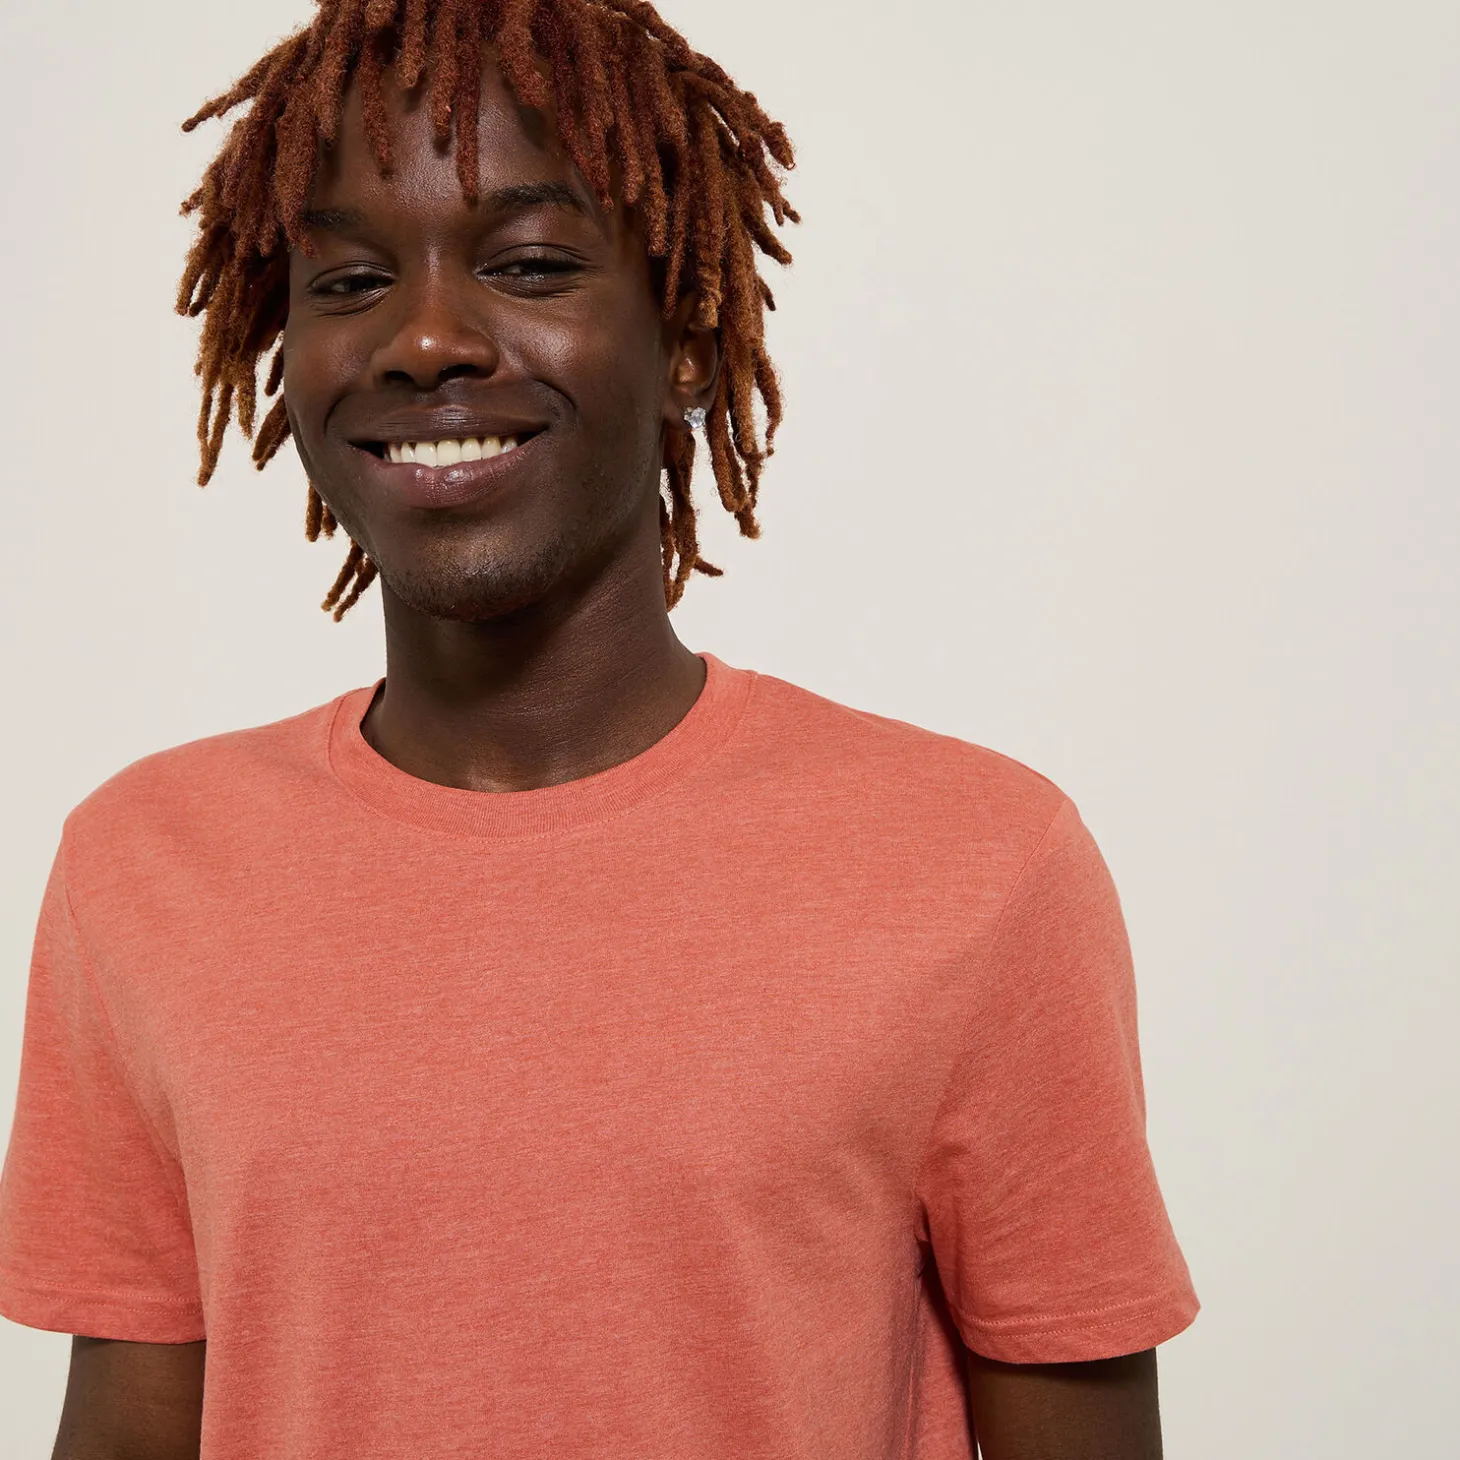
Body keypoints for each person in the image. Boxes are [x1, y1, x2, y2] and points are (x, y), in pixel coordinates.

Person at [0, 2, 1198, 1456]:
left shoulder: (981, 864)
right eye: (351, 280)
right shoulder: (143, 866)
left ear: (686, 336)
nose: (426, 339)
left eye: (530, 264)